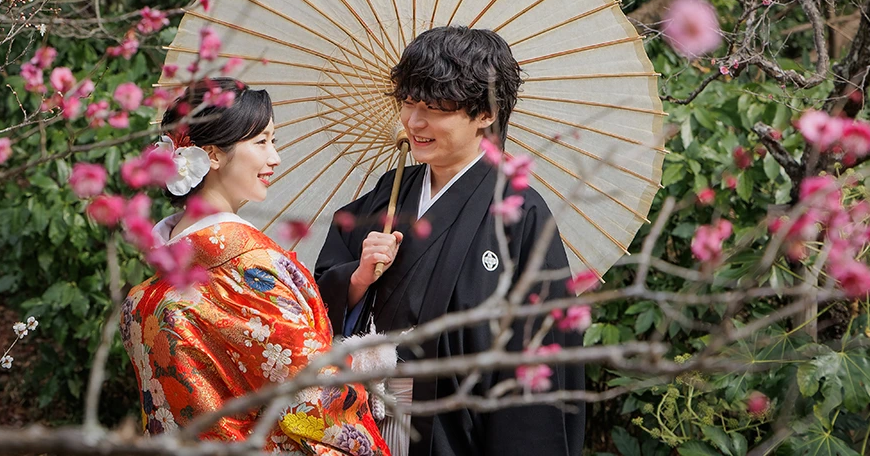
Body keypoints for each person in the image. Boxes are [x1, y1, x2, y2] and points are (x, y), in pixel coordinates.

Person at [314, 27, 586, 456]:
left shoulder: (519, 212)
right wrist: (358, 279)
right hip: (362, 419)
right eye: (408, 103)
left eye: (435, 109)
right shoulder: (391, 190)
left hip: (452, 430)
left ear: (485, 113)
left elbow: (539, 354)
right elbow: (322, 290)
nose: (414, 122)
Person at [121, 77, 391, 455]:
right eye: (261, 142)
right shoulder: (252, 271)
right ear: (211, 155)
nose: (274, 157)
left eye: (274, 141)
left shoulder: (145, 296)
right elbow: (313, 401)